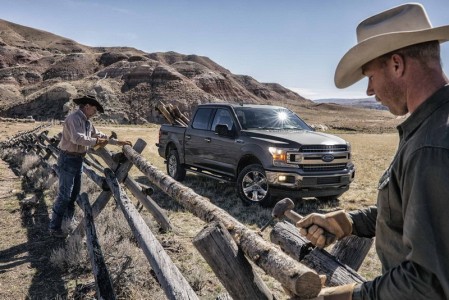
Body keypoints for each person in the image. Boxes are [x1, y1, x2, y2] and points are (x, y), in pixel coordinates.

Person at [296, 3, 449, 299]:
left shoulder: (430, 146)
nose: (368, 91)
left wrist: (345, 295)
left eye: (370, 75)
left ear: (396, 64)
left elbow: (427, 284)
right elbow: (419, 210)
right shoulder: (431, 127)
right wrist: (350, 222)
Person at [49, 95, 131, 238]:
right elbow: (78, 138)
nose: (95, 113)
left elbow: (98, 135)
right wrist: (96, 141)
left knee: (73, 194)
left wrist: (117, 142)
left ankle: (68, 220)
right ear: (87, 106)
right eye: (94, 109)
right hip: (68, 159)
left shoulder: (87, 122)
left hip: (77, 159)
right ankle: (54, 226)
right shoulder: (74, 119)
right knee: (65, 195)